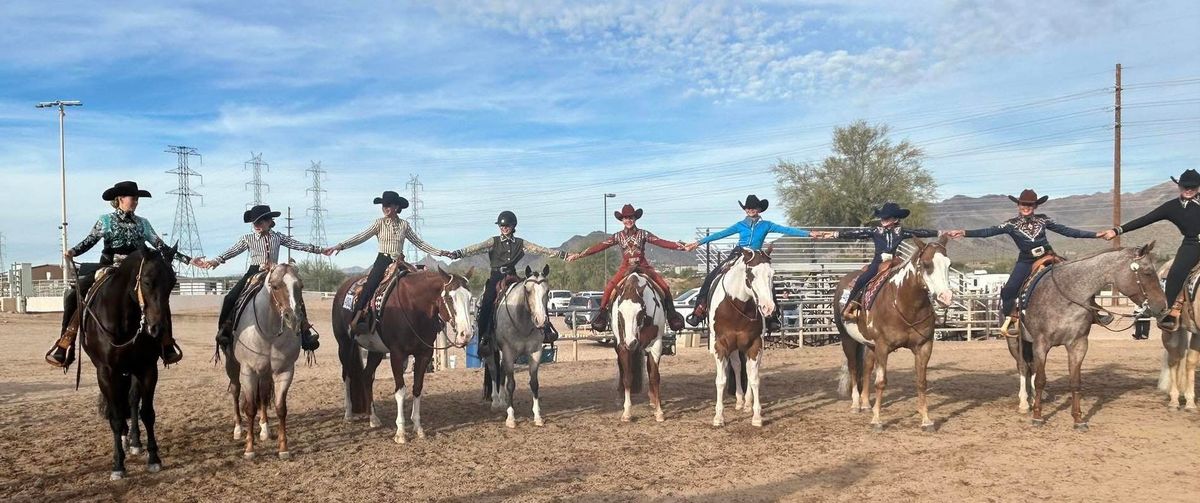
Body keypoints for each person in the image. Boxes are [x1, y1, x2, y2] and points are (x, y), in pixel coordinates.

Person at [46, 181, 194, 368]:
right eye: (133, 198)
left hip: (138, 270)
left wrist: (188, 260)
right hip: (111, 267)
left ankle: (166, 343)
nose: (136, 202)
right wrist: (73, 252)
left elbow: (160, 245)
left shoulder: (143, 223)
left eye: (137, 199)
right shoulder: (105, 220)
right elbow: (90, 241)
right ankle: (66, 342)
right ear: (120, 199)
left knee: (158, 298)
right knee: (73, 294)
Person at [949, 189, 1103, 335]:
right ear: (1018, 205)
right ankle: (1012, 319)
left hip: (1049, 255)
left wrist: (1096, 235)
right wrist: (964, 232)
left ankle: (1095, 314)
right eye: (1023, 204)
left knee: (1078, 279)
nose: (1026, 207)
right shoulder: (1011, 224)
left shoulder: (1044, 220)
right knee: (1008, 291)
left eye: (1029, 204)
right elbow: (988, 231)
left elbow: (1068, 231)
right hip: (1026, 261)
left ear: (1035, 206)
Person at [683, 195, 830, 332]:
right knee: (712, 276)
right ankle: (699, 310)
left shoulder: (766, 225)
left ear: (759, 209)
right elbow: (720, 234)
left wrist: (808, 234)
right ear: (745, 209)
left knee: (767, 281)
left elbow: (786, 229)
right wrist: (698, 243)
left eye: (753, 207)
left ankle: (773, 316)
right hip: (739, 253)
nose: (750, 210)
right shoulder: (740, 225)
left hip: (756, 256)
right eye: (748, 207)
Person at [200, 204, 328, 351]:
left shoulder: (278, 237)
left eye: (260, 221)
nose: (256, 225)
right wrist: (216, 260)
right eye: (254, 222)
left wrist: (320, 250)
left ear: (269, 222)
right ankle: (224, 330)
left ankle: (305, 331)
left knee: (294, 295)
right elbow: (233, 250)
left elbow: (297, 245)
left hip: (275, 273)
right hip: (254, 272)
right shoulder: (248, 238)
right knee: (230, 297)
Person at [326, 191, 453, 335]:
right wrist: (340, 246)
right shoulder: (379, 223)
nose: (385, 208)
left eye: (388, 205)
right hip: (383, 260)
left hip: (400, 261)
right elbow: (361, 237)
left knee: (420, 286)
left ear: (396, 206)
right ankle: (358, 318)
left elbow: (419, 243)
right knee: (370, 285)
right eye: (383, 205)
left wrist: (440, 252)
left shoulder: (404, 225)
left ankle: (430, 320)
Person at [1101, 169, 1200, 331]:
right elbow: (1145, 219)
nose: (1189, 190)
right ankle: (1169, 312)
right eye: (1185, 187)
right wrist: (1117, 230)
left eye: (1193, 187)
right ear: (1179, 187)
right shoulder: (1171, 207)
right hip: (1192, 244)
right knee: (1176, 273)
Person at [566, 204, 688, 332]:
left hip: (643, 266)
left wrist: (681, 246)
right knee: (609, 288)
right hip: (626, 267)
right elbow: (600, 246)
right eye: (626, 218)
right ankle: (602, 314)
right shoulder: (618, 236)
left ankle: (672, 315)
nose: (628, 220)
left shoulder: (644, 234)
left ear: (635, 219)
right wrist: (579, 255)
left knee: (665, 287)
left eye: (631, 217)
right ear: (622, 220)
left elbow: (661, 242)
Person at [450, 211, 565, 344]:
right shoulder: (493, 241)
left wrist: (562, 255)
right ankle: (483, 338)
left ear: (513, 226)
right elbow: (476, 248)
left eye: (507, 226)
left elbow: (540, 249)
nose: (504, 228)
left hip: (513, 275)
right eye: (501, 226)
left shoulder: (520, 243)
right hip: (496, 276)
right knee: (487, 302)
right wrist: (458, 253)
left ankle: (545, 330)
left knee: (534, 294)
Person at [836, 202, 943, 322]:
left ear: (895, 219)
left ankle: (929, 311)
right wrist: (836, 234)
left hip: (894, 262)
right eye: (882, 217)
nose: (883, 220)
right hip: (877, 263)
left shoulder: (900, 232)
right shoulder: (876, 231)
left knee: (916, 280)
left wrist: (940, 233)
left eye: (887, 217)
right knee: (862, 279)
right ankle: (848, 307)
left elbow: (921, 232)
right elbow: (857, 233)